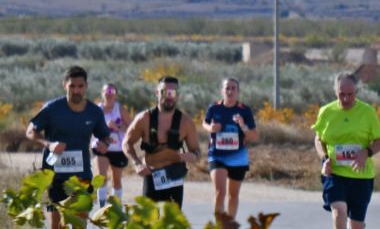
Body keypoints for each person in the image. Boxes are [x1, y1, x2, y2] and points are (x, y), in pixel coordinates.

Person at [312, 72, 380, 229]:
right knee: (338, 213)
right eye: (341, 95)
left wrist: (367, 152)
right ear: (335, 92)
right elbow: (319, 140)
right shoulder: (326, 112)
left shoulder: (367, 112)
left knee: (357, 224)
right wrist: (324, 158)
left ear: (357, 92)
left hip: (361, 176)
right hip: (334, 173)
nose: (345, 99)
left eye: (350, 95)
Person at [26, 65, 112, 229]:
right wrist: (49, 145)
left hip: (81, 179)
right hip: (54, 178)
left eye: (80, 86)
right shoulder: (52, 109)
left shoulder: (94, 112)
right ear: (64, 85)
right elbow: (30, 132)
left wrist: (104, 144)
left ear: (86, 86)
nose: (76, 90)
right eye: (72, 86)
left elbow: (104, 135)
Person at [123, 76, 200, 209]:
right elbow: (126, 143)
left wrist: (194, 156)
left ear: (178, 96)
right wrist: (136, 163)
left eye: (173, 93)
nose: (169, 96)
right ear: (157, 93)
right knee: (148, 224)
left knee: (172, 225)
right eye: (165, 92)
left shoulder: (186, 123)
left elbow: (197, 151)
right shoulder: (144, 119)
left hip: (174, 178)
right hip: (151, 175)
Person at [204, 77, 258, 220]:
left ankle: (230, 227)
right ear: (221, 91)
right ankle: (219, 228)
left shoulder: (245, 111)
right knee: (219, 192)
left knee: (233, 195)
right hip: (217, 155)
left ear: (238, 91)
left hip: (238, 157)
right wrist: (211, 128)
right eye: (227, 88)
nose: (230, 91)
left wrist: (243, 126)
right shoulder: (214, 108)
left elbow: (254, 137)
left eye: (233, 88)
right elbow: (205, 123)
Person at [93, 83, 127, 207]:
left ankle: (115, 207)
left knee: (116, 180)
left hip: (118, 149)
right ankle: (102, 207)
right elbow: (90, 126)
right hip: (101, 146)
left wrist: (116, 127)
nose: (109, 96)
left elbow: (130, 128)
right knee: (101, 177)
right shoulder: (97, 110)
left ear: (115, 96)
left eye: (111, 94)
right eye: (106, 94)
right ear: (102, 95)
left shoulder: (121, 109)